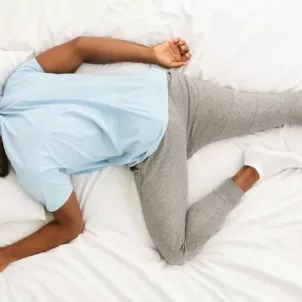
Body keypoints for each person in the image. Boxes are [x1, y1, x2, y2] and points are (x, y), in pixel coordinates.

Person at [0, 36, 301, 272]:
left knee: (177, 250)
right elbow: (80, 47)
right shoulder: (17, 84)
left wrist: (7, 255)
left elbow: (71, 226)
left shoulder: (30, 168)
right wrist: (152, 54)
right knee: (287, 106)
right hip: (171, 90)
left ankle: (255, 169)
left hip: (159, 145)